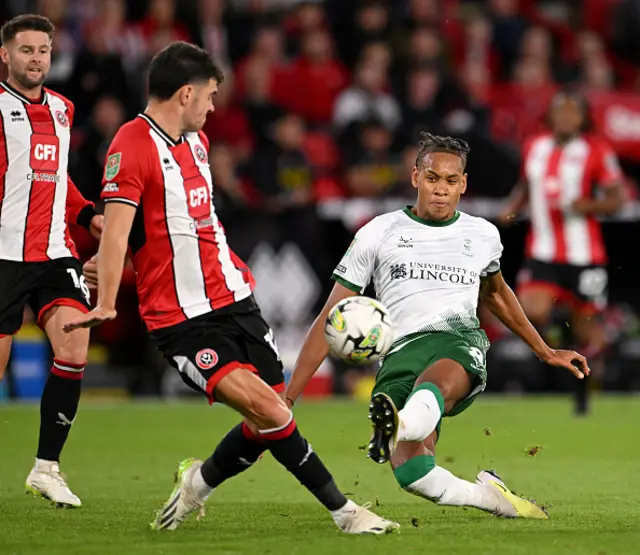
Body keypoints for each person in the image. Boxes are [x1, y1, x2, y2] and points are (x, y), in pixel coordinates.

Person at [66, 41, 398, 535]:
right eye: (210, 95)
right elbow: (116, 228)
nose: (214, 105)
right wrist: (109, 296)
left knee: (273, 414)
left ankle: (197, 483)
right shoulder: (130, 145)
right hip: (182, 319)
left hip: (235, 299)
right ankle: (345, 512)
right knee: (267, 410)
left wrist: (117, 257)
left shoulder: (196, 143)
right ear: (185, 94)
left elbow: (177, 224)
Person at [285, 132, 590, 519]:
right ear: (416, 178)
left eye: (450, 181)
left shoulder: (482, 234)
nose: (441, 190)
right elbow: (332, 316)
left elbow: (496, 295)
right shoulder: (378, 232)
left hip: (457, 341)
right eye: (432, 179)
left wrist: (544, 350)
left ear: (463, 184)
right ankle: (494, 499)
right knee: (413, 473)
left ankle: (397, 424)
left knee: (436, 382)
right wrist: (289, 397)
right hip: (398, 354)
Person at [0, 14, 103, 507]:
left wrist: (88, 216)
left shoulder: (63, 109)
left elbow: (58, 180)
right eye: (26, 50)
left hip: (55, 253)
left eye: (42, 50)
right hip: (3, 254)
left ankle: (46, 467)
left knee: (75, 343)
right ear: (5, 55)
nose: (36, 58)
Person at [499, 90, 624, 415]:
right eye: (561, 111)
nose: (567, 118)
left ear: (583, 118)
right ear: (551, 116)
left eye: (573, 112)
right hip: (542, 253)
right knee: (532, 310)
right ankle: (558, 328)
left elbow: (618, 199)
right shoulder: (534, 147)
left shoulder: (597, 150)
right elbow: (526, 185)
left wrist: (589, 205)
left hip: (585, 257)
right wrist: (513, 208)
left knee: (586, 331)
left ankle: (582, 391)